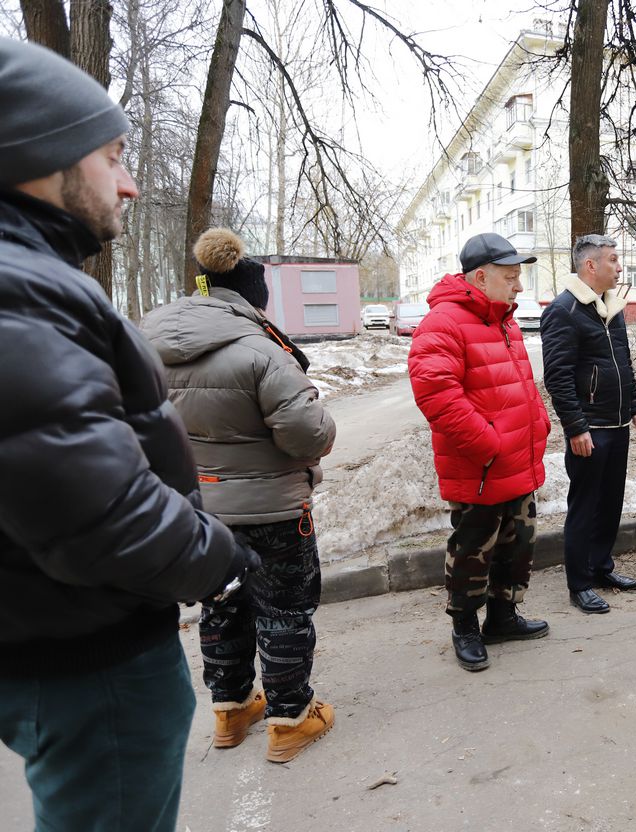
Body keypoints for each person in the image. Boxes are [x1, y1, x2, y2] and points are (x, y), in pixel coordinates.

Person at [0, 37, 255, 829]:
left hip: (56, 636)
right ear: (40, 154)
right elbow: (92, 512)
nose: (131, 183)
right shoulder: (19, 292)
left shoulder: (31, 280)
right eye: (112, 157)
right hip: (90, 659)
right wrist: (217, 559)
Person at [141, 228, 337, 763]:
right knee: (284, 611)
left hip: (198, 511)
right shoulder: (261, 350)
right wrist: (324, 423)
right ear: (254, 297)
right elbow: (306, 435)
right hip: (273, 509)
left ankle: (229, 710)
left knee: (220, 606)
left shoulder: (146, 346)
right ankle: (290, 718)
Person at [409, 232, 552, 670]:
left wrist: (538, 424)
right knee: (473, 549)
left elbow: (519, 384)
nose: (519, 286)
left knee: (517, 543)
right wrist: (488, 446)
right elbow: (436, 393)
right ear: (480, 277)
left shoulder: (503, 320)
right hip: (482, 466)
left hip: (517, 459)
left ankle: (503, 616)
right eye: (510, 277)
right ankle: (465, 626)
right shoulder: (443, 323)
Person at [541, 234, 636, 614]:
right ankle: (580, 583)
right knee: (585, 506)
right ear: (591, 265)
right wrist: (576, 427)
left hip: (617, 424)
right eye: (613, 260)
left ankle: (602, 567)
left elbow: (623, 360)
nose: (619, 267)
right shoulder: (564, 310)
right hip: (590, 428)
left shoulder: (611, 307)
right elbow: (557, 376)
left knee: (610, 502)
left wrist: (634, 403)